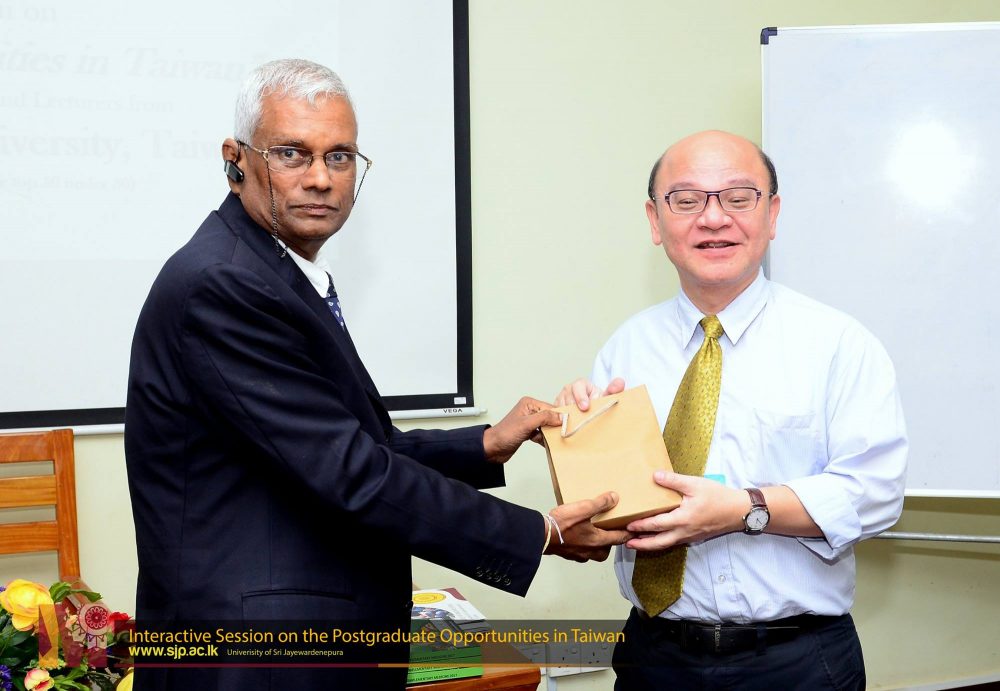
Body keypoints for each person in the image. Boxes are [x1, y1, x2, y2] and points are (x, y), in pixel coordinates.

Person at [124, 58, 629, 691]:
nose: (320, 179)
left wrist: (485, 444)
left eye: (339, 157)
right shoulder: (225, 284)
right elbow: (351, 473)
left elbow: (349, 449)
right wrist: (540, 534)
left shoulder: (270, 271)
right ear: (236, 160)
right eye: (292, 154)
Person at [557, 130, 908, 690]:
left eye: (739, 198)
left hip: (796, 661)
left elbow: (876, 492)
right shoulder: (626, 348)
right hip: (654, 656)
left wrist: (746, 509)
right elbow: (608, 510)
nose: (714, 218)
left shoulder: (837, 343)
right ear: (655, 220)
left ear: (773, 214)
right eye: (687, 200)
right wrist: (576, 446)